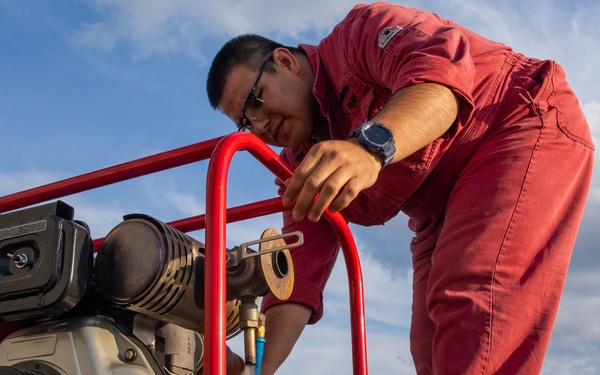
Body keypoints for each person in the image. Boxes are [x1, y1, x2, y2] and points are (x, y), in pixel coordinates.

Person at [206, 2, 594, 374]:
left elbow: (441, 84)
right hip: (436, 208)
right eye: (245, 123)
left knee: (473, 305)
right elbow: (297, 275)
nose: (259, 125)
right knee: (428, 347)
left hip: (514, 121)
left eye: (255, 101)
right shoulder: (299, 164)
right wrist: (259, 370)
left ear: (286, 62)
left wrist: (368, 149)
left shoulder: (361, 33)